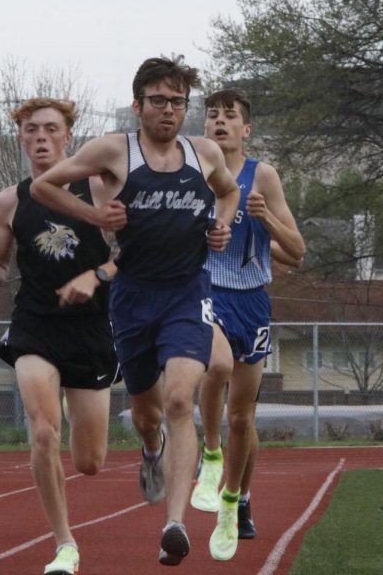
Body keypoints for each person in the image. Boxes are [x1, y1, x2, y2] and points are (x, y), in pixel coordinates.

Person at [30, 56, 240, 566]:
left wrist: (223, 226)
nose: (168, 111)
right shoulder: (113, 150)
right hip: (133, 300)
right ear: (138, 105)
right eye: (158, 101)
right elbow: (44, 186)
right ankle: (151, 451)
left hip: (187, 295)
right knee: (148, 415)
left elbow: (230, 192)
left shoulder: (204, 152)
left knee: (178, 401)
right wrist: (95, 214)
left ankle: (174, 524)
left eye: (177, 102)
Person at [0, 97, 122, 575]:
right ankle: (64, 545)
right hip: (35, 323)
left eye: (51, 129)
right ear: (20, 137)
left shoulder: (97, 188)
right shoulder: (8, 201)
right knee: (42, 432)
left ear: (67, 137)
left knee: (90, 461)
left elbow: (134, 255)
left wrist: (96, 275)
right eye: (31, 129)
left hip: (92, 328)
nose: (41, 137)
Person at [190, 90, 305, 561]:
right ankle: (210, 455)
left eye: (229, 117)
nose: (219, 123)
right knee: (214, 368)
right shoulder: (193, 172)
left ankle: (237, 500)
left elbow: (297, 252)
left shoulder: (264, 176)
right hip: (207, 292)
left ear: (246, 129)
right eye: (212, 116)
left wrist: (266, 221)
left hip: (253, 302)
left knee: (244, 417)